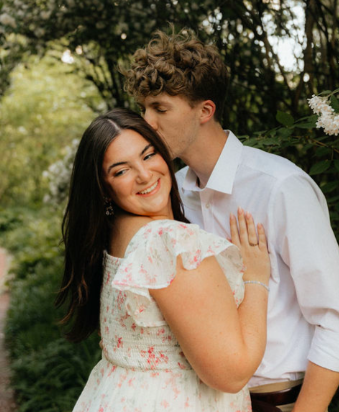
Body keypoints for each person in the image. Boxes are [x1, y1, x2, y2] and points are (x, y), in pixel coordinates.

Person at [124, 30, 339, 412]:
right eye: (143, 109)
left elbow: (338, 322)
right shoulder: (174, 195)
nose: (146, 122)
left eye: (160, 108)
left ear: (205, 110)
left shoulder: (281, 187)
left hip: (277, 401)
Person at [57, 108, 271, 412]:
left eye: (148, 155)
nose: (144, 175)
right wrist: (257, 279)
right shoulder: (171, 244)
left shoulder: (115, 234)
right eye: (121, 171)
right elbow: (232, 373)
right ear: (104, 189)